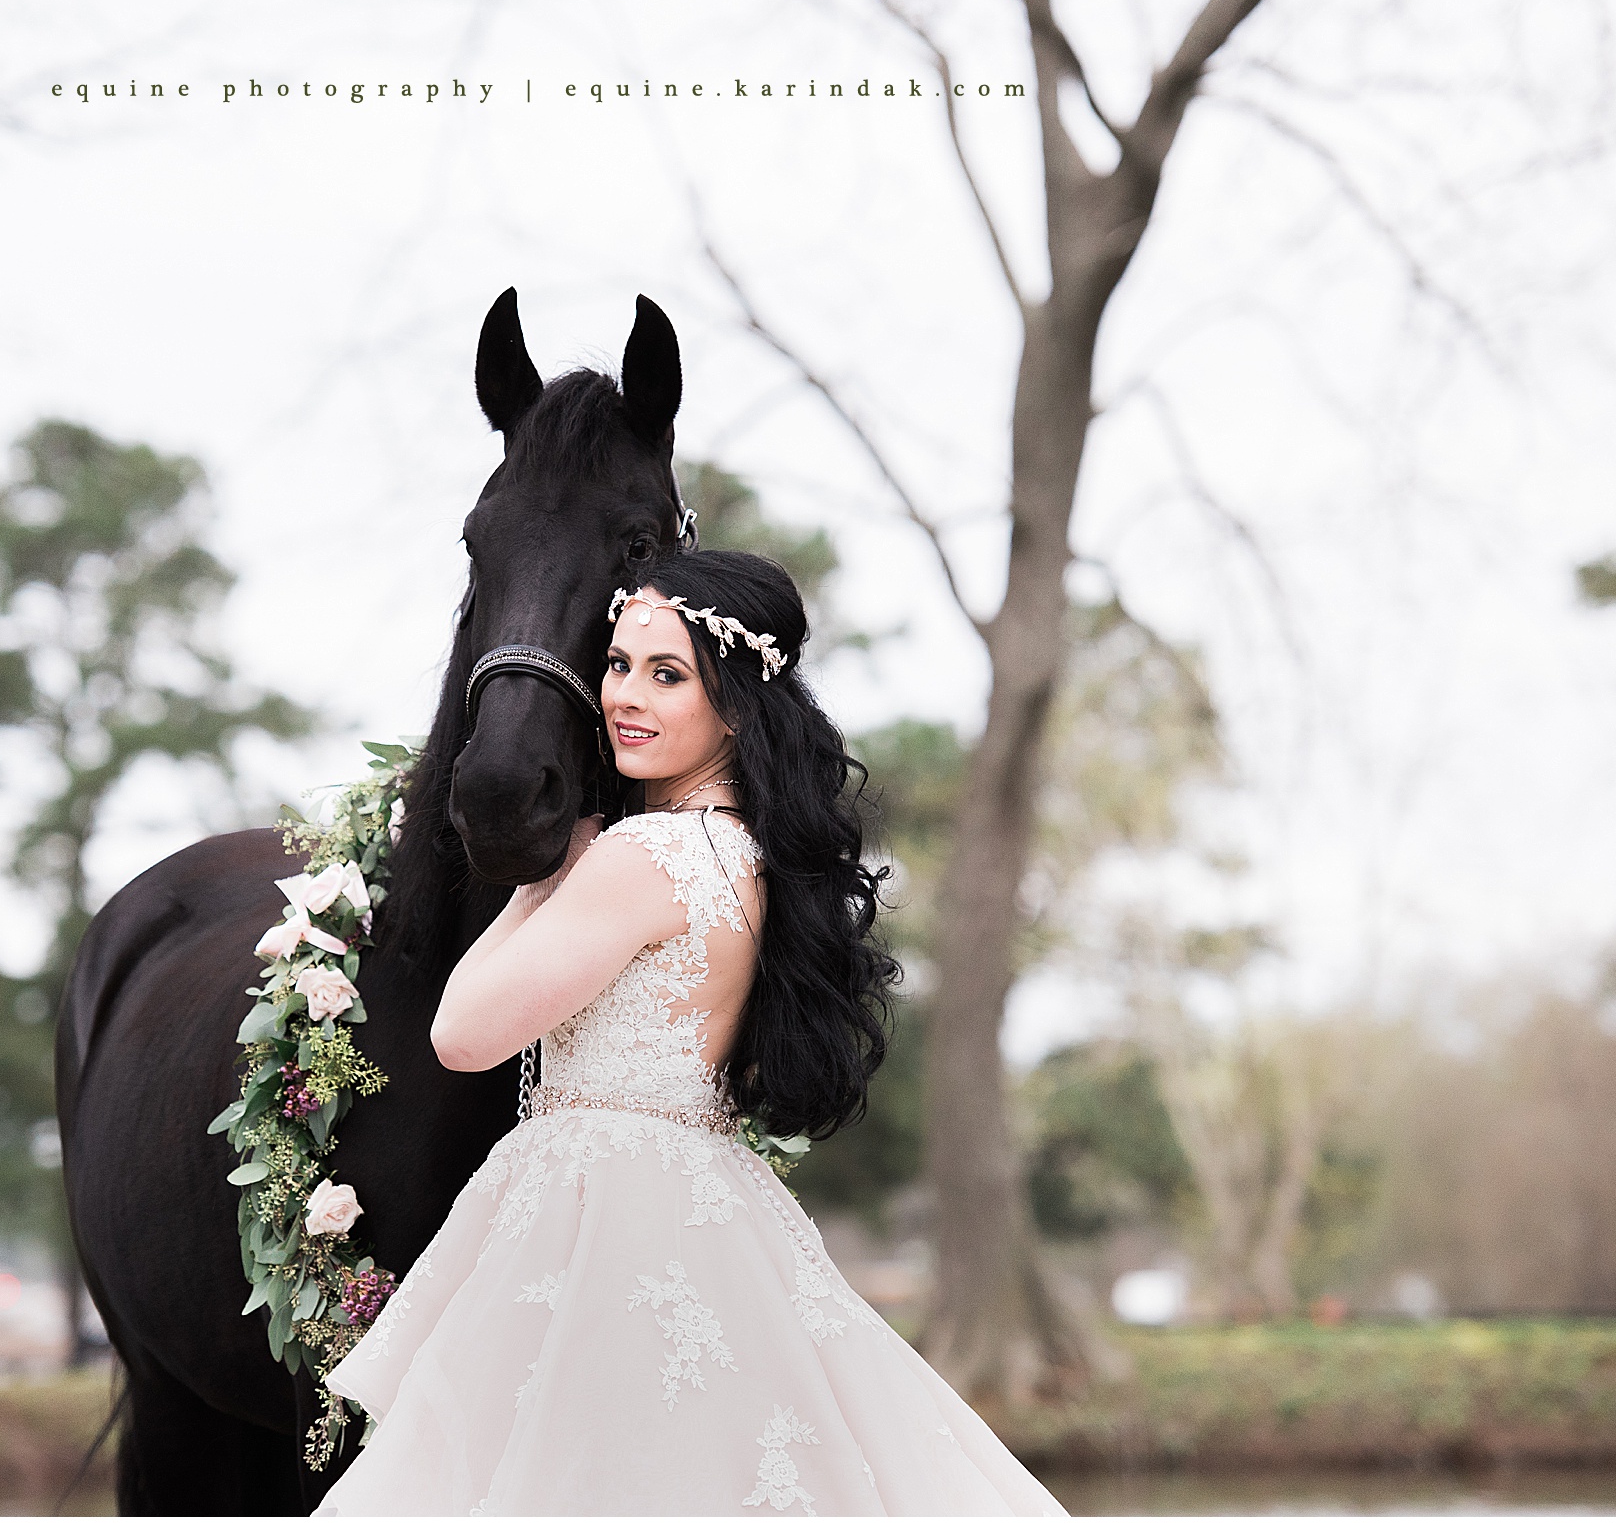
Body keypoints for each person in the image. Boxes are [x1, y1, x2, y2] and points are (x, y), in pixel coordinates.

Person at [315, 549, 1066, 1516]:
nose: (625, 695)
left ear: (739, 705)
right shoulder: (750, 856)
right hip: (701, 1189)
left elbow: (462, 1034)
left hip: (598, 1203)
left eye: (667, 676)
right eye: (619, 664)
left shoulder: (643, 854)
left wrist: (542, 878)